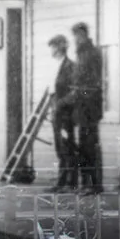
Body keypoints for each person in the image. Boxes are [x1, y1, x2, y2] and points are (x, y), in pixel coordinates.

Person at [69, 22, 107, 193]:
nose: (76, 39)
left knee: (90, 146)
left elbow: (93, 83)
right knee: (84, 146)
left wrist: (80, 93)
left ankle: (93, 184)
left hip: (89, 107)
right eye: (74, 35)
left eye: (78, 35)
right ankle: (87, 183)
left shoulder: (91, 53)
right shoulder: (81, 53)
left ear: (84, 34)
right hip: (82, 107)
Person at [46, 34, 79, 188]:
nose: (51, 50)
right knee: (59, 147)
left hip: (66, 113)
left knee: (67, 146)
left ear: (60, 47)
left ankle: (70, 182)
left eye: (53, 46)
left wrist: (61, 103)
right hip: (56, 112)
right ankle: (62, 180)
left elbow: (75, 92)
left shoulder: (70, 67)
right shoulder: (53, 65)